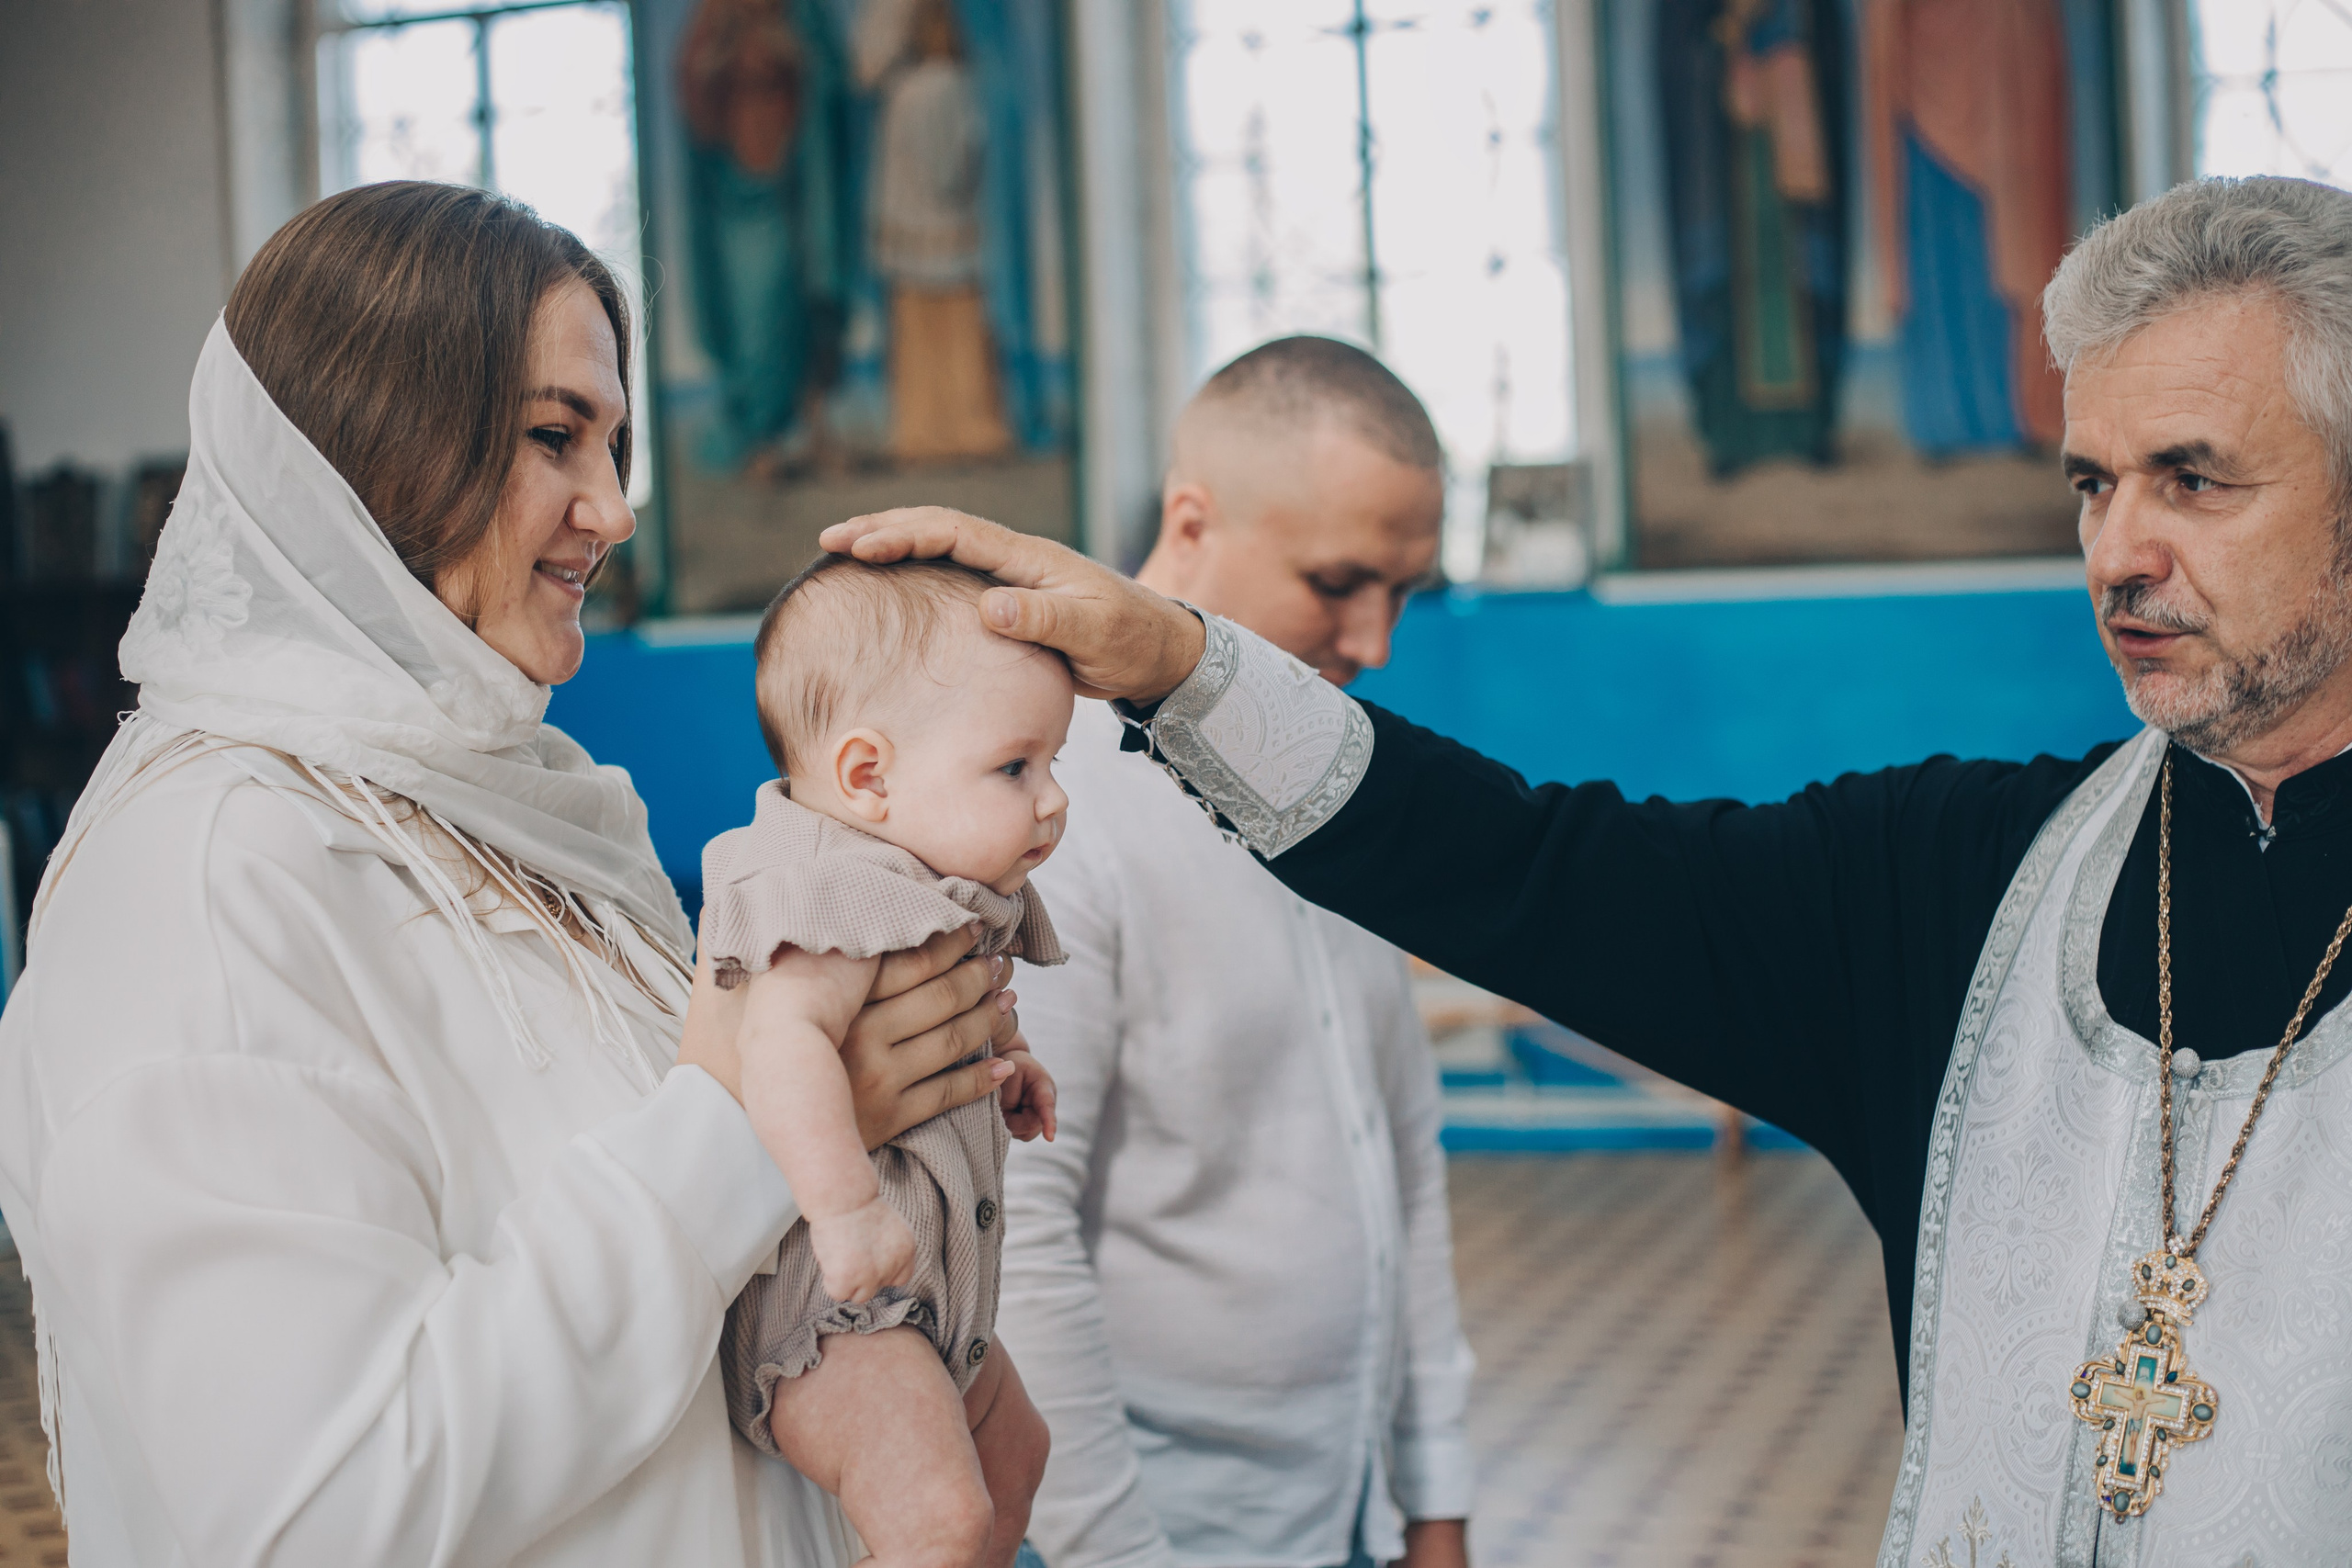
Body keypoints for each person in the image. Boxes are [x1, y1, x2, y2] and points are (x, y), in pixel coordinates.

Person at [822, 176, 2352, 1564]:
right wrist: (1175, 663)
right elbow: (1535, 867)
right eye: (2094, 483)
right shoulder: (1965, 884)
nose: (2118, 551)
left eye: (2196, 480)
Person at [0, 182, 1021, 1566]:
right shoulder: (202, 876)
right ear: (379, 448)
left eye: (614, 441)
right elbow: (318, 1506)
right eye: (554, 437)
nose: (610, 505)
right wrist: (743, 1128)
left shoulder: (529, 806)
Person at [994, 336, 1475, 1568]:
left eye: (1408, 588)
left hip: (1350, 1510)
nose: (1375, 640)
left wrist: (1437, 1496)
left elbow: (1404, 1156)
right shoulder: (1053, 806)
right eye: (1340, 580)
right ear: (1192, 520)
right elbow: (1020, 1232)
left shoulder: (1350, 778)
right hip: (1162, 1527)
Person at [702, 557, 1068, 1568]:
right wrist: (844, 1212)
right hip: (836, 1314)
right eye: (1015, 768)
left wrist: (1012, 1058)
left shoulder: (931, 875)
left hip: (933, 1301)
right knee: (939, 1520)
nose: (1053, 801)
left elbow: (960, 1010)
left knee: (1017, 1462)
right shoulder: (821, 886)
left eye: (1053, 765)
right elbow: (779, 1046)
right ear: (867, 777)